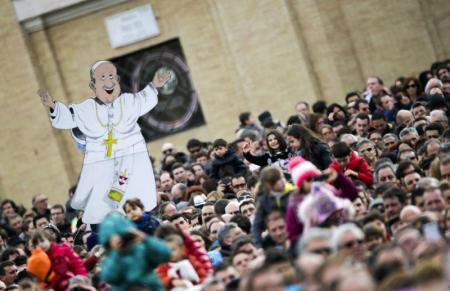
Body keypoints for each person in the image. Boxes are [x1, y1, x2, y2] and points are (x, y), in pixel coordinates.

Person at [38, 61, 171, 224]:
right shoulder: (86, 108)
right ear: (93, 85)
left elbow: (144, 100)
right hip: (103, 163)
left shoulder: (128, 101)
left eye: (111, 77)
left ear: (118, 80)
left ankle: (141, 218)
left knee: (138, 198)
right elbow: (67, 118)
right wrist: (54, 107)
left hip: (131, 160)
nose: (108, 82)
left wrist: (154, 85)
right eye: (102, 78)